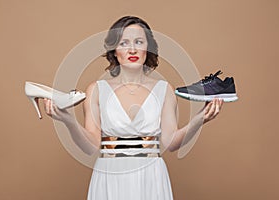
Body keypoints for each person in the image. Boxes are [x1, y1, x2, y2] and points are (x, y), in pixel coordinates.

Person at [42, 16, 223, 200]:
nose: (132, 49)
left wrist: (199, 119)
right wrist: (68, 120)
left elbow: (171, 143)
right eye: (124, 43)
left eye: (139, 42)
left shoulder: (164, 89)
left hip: (151, 175)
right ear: (114, 50)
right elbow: (90, 146)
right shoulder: (96, 90)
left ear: (148, 48)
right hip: (109, 174)